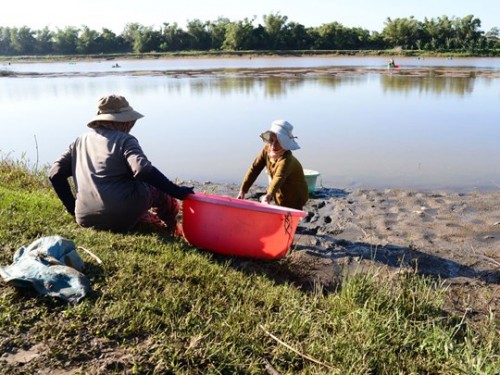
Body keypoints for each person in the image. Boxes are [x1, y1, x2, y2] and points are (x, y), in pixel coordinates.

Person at [49, 94, 194, 234]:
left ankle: (140, 218)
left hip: (85, 219)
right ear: (123, 121)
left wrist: (73, 209)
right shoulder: (125, 140)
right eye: (130, 121)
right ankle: (172, 229)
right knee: (158, 189)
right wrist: (176, 191)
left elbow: (55, 173)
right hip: (120, 216)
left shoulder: (79, 141)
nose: (131, 124)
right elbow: (142, 170)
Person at [237, 120, 308, 210]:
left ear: (284, 142)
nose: (273, 145)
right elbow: (255, 168)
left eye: (278, 142)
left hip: (295, 193)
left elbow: (279, 177)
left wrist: (268, 195)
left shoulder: (286, 159)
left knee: (289, 214)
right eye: (271, 140)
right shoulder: (267, 150)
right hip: (280, 191)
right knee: (280, 207)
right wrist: (243, 190)